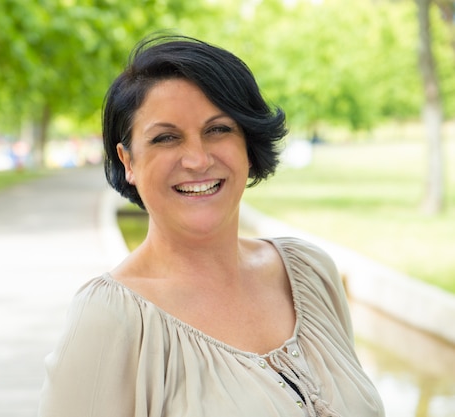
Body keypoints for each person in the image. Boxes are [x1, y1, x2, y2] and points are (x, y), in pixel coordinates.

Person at [37, 34, 384, 417]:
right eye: (166, 138)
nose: (198, 160)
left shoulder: (310, 272)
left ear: (248, 145)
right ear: (128, 162)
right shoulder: (110, 318)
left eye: (218, 130)